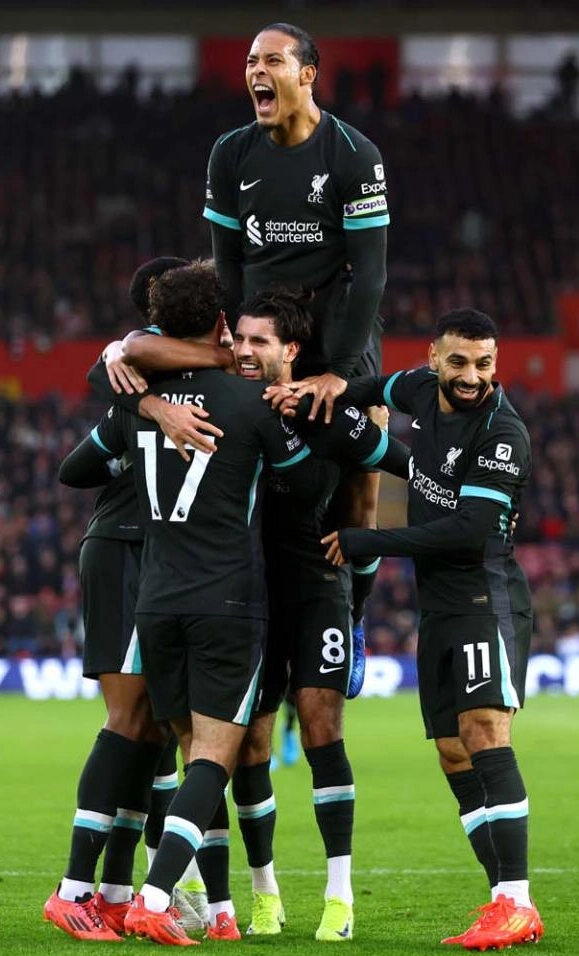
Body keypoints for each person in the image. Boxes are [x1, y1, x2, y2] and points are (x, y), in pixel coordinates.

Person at [108, 289, 410, 942]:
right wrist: (145, 397)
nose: (243, 351)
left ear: (290, 351)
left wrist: (361, 590)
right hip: (244, 593)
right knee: (247, 744)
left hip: (314, 585)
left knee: (324, 726)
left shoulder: (329, 406)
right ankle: (262, 891)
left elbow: (382, 482)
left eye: (258, 343)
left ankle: (339, 893)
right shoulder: (229, 398)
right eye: (237, 339)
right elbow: (124, 359)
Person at [82, 262, 324, 948]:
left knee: (192, 757)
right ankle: (156, 898)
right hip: (227, 601)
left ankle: (216, 908)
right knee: (215, 761)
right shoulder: (249, 402)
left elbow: (103, 398)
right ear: (221, 323)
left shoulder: (138, 394)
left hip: (155, 601)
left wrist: (140, 393)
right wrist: (294, 416)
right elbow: (306, 491)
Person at [300, 308, 544, 952]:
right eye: (459, 361)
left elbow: (468, 529)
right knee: (451, 749)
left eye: (485, 363)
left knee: (485, 732)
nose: (472, 376)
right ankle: (505, 898)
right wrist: (324, 386)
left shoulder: (503, 432)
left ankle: (514, 899)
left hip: (484, 596)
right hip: (438, 606)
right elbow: (366, 388)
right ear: (434, 358)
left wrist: (368, 540)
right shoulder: (413, 388)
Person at [42, 256, 214, 942]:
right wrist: (139, 423)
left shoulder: (193, 373)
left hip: (158, 558)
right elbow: (75, 464)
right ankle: (75, 888)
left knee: (149, 728)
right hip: (125, 549)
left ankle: (114, 890)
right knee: (128, 716)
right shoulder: (142, 372)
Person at [204, 22, 391, 640]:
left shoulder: (353, 154)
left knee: (361, 488)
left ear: (307, 74)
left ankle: (355, 614)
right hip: (262, 339)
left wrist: (338, 368)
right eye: (250, 61)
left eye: (272, 61)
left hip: (338, 336)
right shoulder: (230, 154)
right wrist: (234, 343)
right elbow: (227, 264)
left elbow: (370, 273)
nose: (256, 71)